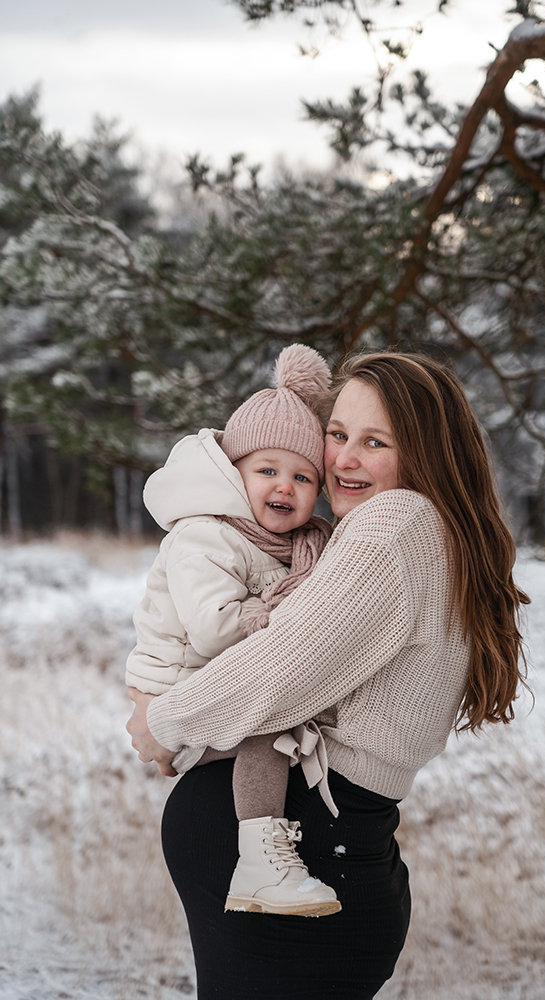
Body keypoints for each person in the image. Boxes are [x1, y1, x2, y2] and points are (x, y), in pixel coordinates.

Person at [127, 350, 529, 1000]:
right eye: (337, 434)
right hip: (331, 856)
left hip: (310, 863)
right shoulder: (439, 532)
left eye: (374, 442)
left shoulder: (392, 527)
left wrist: (161, 722)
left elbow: (277, 669)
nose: (341, 459)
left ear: (423, 452)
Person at [126, 343, 340, 916]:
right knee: (267, 725)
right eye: (266, 470)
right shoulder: (207, 535)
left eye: (302, 477)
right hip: (177, 691)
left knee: (274, 714)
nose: (284, 487)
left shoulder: (285, 545)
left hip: (199, 688)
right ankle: (262, 864)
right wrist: (272, 614)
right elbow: (214, 630)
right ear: (233, 474)